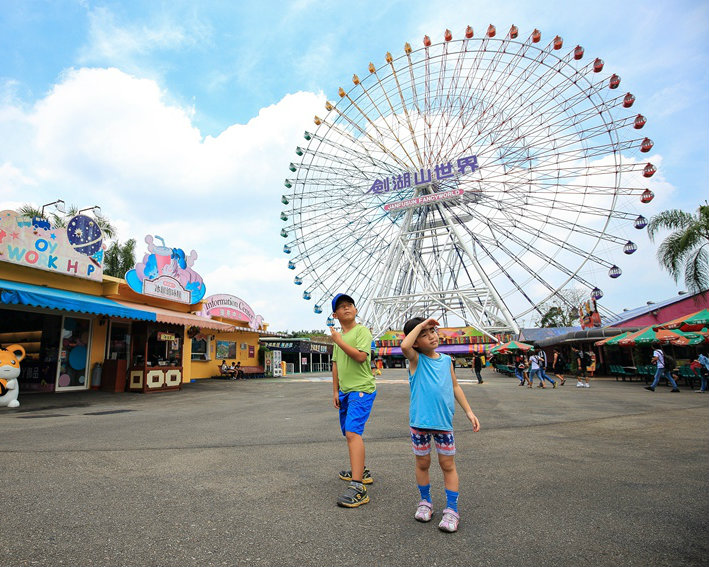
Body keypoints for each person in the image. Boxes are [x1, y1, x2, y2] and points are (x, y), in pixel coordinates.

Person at [401, 317, 480, 533]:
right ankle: (425, 502)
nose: (432, 336)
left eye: (433, 331)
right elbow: (404, 346)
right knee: (423, 463)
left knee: (448, 465)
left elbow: (455, 387)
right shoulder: (415, 359)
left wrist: (469, 412)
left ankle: (452, 509)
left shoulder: (446, 361)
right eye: (424, 335)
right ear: (416, 341)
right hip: (420, 423)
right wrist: (421, 324)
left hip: (444, 423)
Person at [330, 293, 376, 508]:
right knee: (347, 432)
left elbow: (360, 356)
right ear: (335, 314)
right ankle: (362, 470)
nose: (347, 308)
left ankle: (358, 486)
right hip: (345, 392)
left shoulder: (361, 331)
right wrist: (335, 391)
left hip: (362, 390)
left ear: (356, 310)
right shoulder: (337, 337)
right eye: (342, 307)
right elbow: (336, 365)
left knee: (352, 432)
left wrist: (339, 341)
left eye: (350, 305)